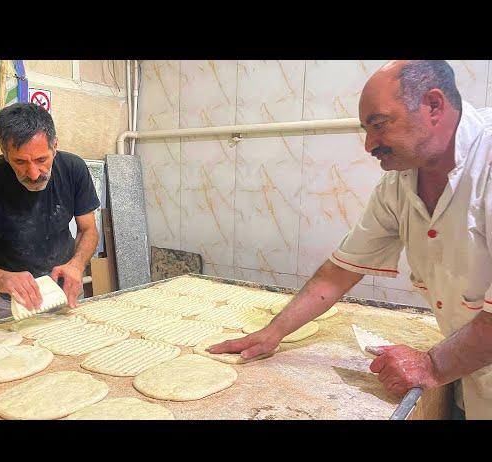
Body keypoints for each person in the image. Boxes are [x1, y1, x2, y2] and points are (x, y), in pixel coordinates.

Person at [209, 60, 492, 420]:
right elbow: (337, 273)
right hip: (472, 376)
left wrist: (433, 366)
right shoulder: (400, 183)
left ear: (433, 106)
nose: (369, 144)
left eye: (378, 125)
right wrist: (272, 333)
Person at [0, 102, 100, 317]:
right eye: (20, 162)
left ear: (55, 145)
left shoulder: (73, 170)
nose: (33, 173)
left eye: (42, 160)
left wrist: (76, 265)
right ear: (4, 152)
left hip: (65, 288)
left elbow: (88, 229)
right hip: (14, 300)